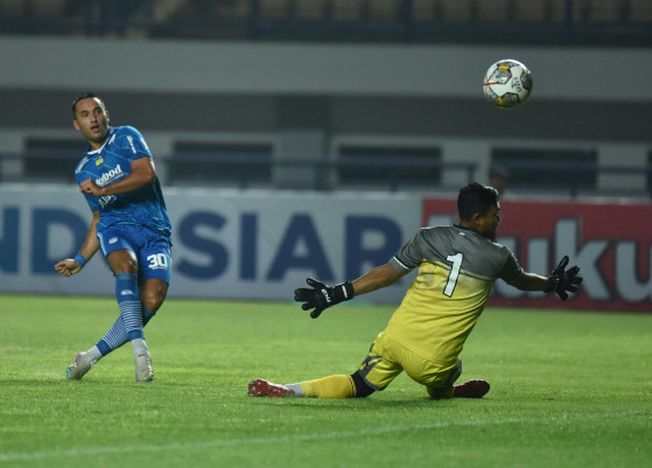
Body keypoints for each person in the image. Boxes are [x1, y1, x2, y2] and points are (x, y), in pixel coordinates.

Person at [248, 182, 582, 399]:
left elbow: (384, 275)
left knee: (359, 385)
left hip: (392, 340)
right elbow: (523, 280)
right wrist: (552, 283)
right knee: (449, 371)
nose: (499, 220)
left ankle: (287, 390)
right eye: (496, 214)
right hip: (432, 363)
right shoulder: (498, 256)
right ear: (478, 218)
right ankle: (449, 390)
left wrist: (335, 294)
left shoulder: (427, 237)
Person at [54, 93, 172, 382]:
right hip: (116, 228)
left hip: (155, 231)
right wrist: (80, 258)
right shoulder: (83, 170)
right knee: (125, 265)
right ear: (76, 125)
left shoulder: (127, 137)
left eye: (97, 111)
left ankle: (89, 356)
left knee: (153, 299)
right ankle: (140, 352)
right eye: (84, 114)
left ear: (107, 115)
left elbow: (147, 174)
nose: (92, 118)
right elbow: (98, 218)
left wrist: (105, 189)